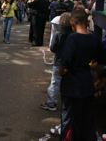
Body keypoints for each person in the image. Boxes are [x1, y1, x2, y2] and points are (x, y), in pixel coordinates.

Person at [58, 10, 106, 140]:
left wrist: (61, 71)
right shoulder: (94, 40)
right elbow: (102, 60)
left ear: (72, 23)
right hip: (87, 84)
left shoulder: (73, 38)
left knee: (69, 119)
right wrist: (89, 67)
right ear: (87, 22)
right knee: (87, 119)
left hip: (72, 84)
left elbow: (66, 59)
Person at [41, 13, 73, 112]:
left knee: (55, 82)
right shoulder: (74, 34)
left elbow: (53, 48)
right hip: (71, 62)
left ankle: (51, 103)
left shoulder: (59, 33)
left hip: (59, 61)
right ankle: (68, 103)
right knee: (69, 83)